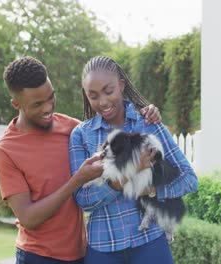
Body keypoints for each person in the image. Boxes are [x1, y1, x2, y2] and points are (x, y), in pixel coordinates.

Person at [0, 56, 161, 264]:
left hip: (80, 253)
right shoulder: (6, 150)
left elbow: (117, 130)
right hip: (37, 256)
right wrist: (77, 180)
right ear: (16, 103)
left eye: (50, 97)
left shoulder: (73, 129)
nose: (48, 108)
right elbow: (29, 218)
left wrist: (147, 112)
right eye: (37, 104)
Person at [69, 56, 198, 264]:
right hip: (104, 247)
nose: (102, 102)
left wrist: (154, 190)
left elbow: (189, 179)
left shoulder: (148, 123)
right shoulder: (81, 135)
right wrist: (126, 175)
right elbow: (83, 200)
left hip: (151, 242)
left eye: (108, 91)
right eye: (93, 96)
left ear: (121, 85)